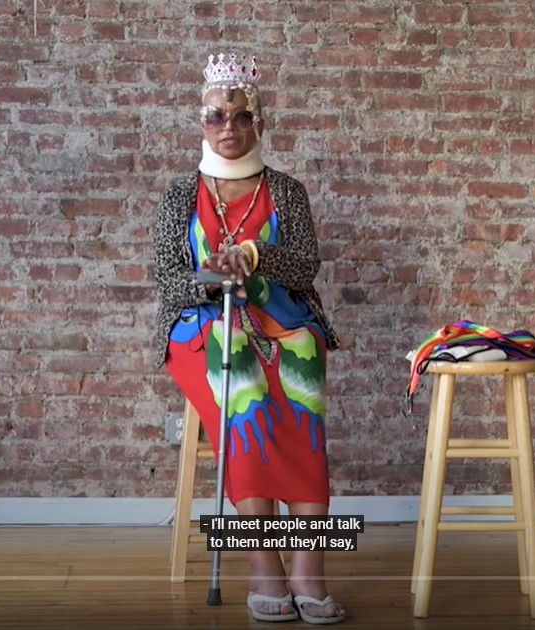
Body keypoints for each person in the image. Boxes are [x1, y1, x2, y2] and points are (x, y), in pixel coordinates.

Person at [153, 52, 344, 624]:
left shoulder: (286, 190)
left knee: (302, 362)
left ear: (259, 122)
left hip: (281, 319)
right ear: (202, 122)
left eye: (240, 116)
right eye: (216, 117)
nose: (228, 127)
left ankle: (310, 565)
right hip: (202, 327)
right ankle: (263, 562)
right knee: (239, 378)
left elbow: (305, 265)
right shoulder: (179, 195)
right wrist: (216, 276)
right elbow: (167, 278)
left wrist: (255, 256)